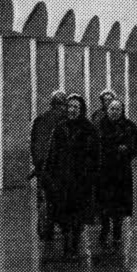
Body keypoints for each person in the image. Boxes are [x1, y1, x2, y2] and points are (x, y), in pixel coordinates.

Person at [43, 94, 99, 261]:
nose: (72, 110)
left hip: (81, 178)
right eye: (69, 106)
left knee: (78, 213)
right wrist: (48, 174)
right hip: (62, 178)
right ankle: (68, 244)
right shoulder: (60, 128)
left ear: (81, 109)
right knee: (63, 212)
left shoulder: (89, 129)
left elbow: (95, 154)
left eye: (75, 107)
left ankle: (73, 244)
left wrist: (91, 174)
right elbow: (52, 153)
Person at [97, 99, 137, 250]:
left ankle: (117, 229)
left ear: (122, 110)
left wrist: (128, 150)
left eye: (117, 109)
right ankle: (105, 227)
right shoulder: (100, 126)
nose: (114, 112)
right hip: (104, 170)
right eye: (112, 109)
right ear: (107, 110)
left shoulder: (129, 126)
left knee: (119, 202)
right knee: (104, 201)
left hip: (122, 170)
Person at [30, 90, 67, 241]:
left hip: (43, 165)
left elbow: (35, 143)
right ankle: (62, 225)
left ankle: (45, 227)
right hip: (60, 166)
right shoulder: (66, 120)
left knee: (44, 197)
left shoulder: (41, 119)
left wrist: (38, 163)